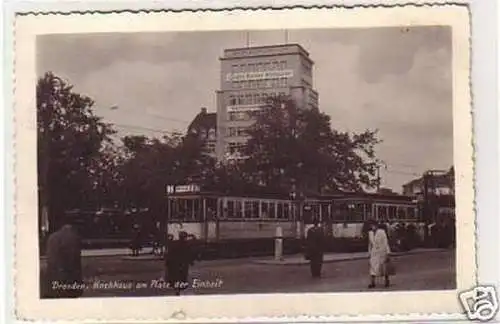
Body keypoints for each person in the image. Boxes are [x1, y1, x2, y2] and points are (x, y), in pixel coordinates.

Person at [44, 219, 83, 298]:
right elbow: (74, 260)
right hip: (68, 279)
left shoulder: (52, 237)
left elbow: (50, 259)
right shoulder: (74, 237)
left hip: (54, 278)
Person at [164, 231, 194, 296]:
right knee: (182, 276)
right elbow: (189, 254)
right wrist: (191, 262)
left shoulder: (174, 243)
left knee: (176, 276)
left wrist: (167, 262)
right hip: (183, 264)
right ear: (185, 237)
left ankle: (177, 289)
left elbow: (169, 254)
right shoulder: (187, 244)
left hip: (175, 264)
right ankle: (179, 289)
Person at [368, 222, 392, 288]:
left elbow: (385, 242)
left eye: (373, 225)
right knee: (372, 267)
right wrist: (369, 253)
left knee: (383, 267)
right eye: (371, 226)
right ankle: (372, 282)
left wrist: (388, 253)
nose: (372, 227)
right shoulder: (370, 233)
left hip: (382, 251)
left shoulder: (382, 232)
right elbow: (370, 244)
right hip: (374, 252)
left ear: (376, 226)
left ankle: (386, 280)